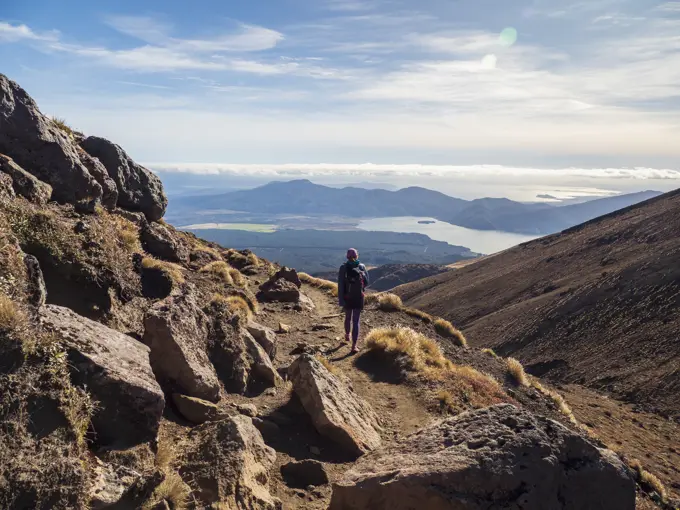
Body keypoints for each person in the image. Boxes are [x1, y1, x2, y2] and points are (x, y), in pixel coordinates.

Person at [337, 248, 369, 353]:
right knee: (356, 321)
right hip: (359, 298)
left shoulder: (343, 268)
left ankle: (347, 335)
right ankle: (354, 346)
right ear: (357, 256)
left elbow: (340, 285)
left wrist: (341, 300)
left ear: (347, 256)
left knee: (347, 317)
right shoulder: (362, 267)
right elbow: (367, 282)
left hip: (347, 298)